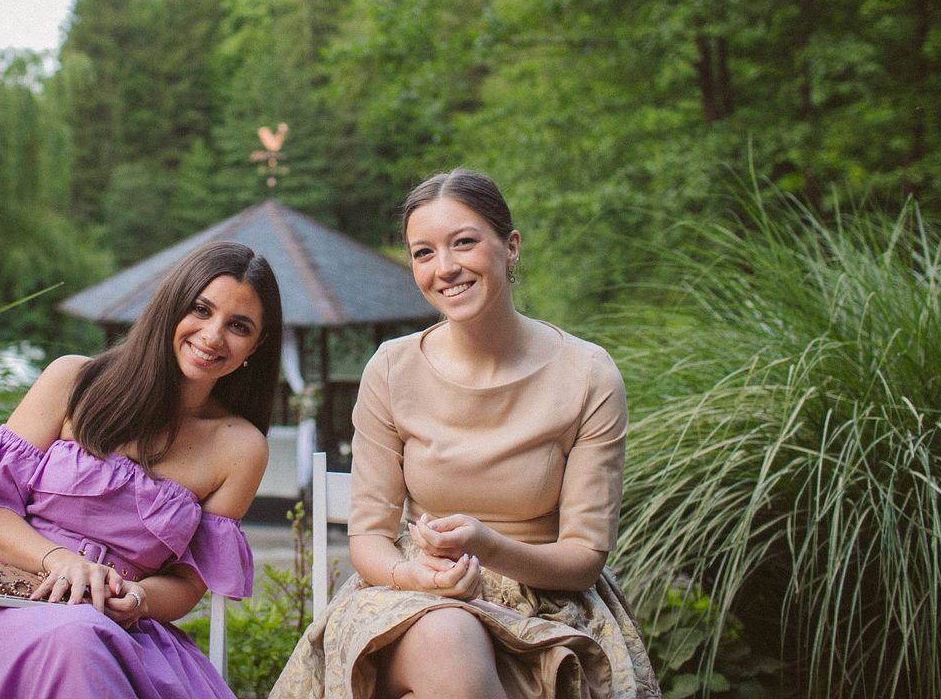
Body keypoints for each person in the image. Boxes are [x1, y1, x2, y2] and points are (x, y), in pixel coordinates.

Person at [272, 170, 658, 699]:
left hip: (546, 611)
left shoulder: (588, 375)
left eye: (464, 243)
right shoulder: (392, 368)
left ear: (510, 247)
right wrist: (419, 578)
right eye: (423, 253)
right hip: (415, 598)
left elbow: (583, 558)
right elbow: (369, 539)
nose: (445, 268)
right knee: (447, 634)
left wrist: (485, 544)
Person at [0, 240, 283, 699]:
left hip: (119, 629)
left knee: (82, 638)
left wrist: (138, 598)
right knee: (75, 639)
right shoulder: (73, 381)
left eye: (238, 326)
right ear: (171, 304)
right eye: (200, 309)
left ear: (257, 344)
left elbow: (187, 586)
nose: (212, 335)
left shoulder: (241, 448)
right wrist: (60, 561)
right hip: (5, 603)